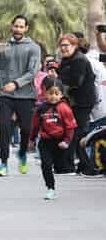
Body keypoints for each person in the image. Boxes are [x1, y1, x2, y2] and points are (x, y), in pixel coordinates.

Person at [0, 15, 41, 177]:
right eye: (16, 26)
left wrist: (15, 83)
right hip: (5, 95)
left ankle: (22, 154)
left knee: (27, 129)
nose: (18, 29)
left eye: (21, 27)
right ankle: (3, 162)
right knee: (4, 127)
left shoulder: (34, 47)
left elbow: (32, 72)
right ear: (12, 26)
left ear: (26, 28)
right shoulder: (4, 47)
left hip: (26, 94)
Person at [29, 79, 77, 199]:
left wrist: (67, 141)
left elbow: (70, 127)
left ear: (61, 95)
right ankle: (50, 188)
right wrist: (32, 140)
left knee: (59, 166)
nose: (53, 97)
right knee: (46, 164)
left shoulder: (64, 108)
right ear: (45, 94)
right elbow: (35, 125)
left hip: (60, 142)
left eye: (56, 94)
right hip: (45, 141)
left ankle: (60, 167)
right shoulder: (41, 109)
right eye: (50, 93)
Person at [57, 34, 97, 176]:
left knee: (77, 133)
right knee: (72, 132)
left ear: (74, 46)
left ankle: (84, 167)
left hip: (82, 102)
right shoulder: (66, 60)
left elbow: (76, 82)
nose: (64, 48)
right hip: (72, 102)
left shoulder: (79, 60)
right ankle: (73, 166)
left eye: (67, 45)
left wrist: (61, 81)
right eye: (62, 45)